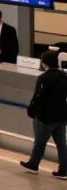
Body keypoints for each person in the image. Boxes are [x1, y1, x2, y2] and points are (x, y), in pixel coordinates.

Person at [20, 50, 67, 179]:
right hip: (62, 116)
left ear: (44, 62)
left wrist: (32, 111)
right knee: (62, 144)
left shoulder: (43, 78)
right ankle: (64, 170)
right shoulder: (64, 76)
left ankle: (33, 164)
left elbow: (38, 97)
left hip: (45, 117)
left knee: (40, 142)